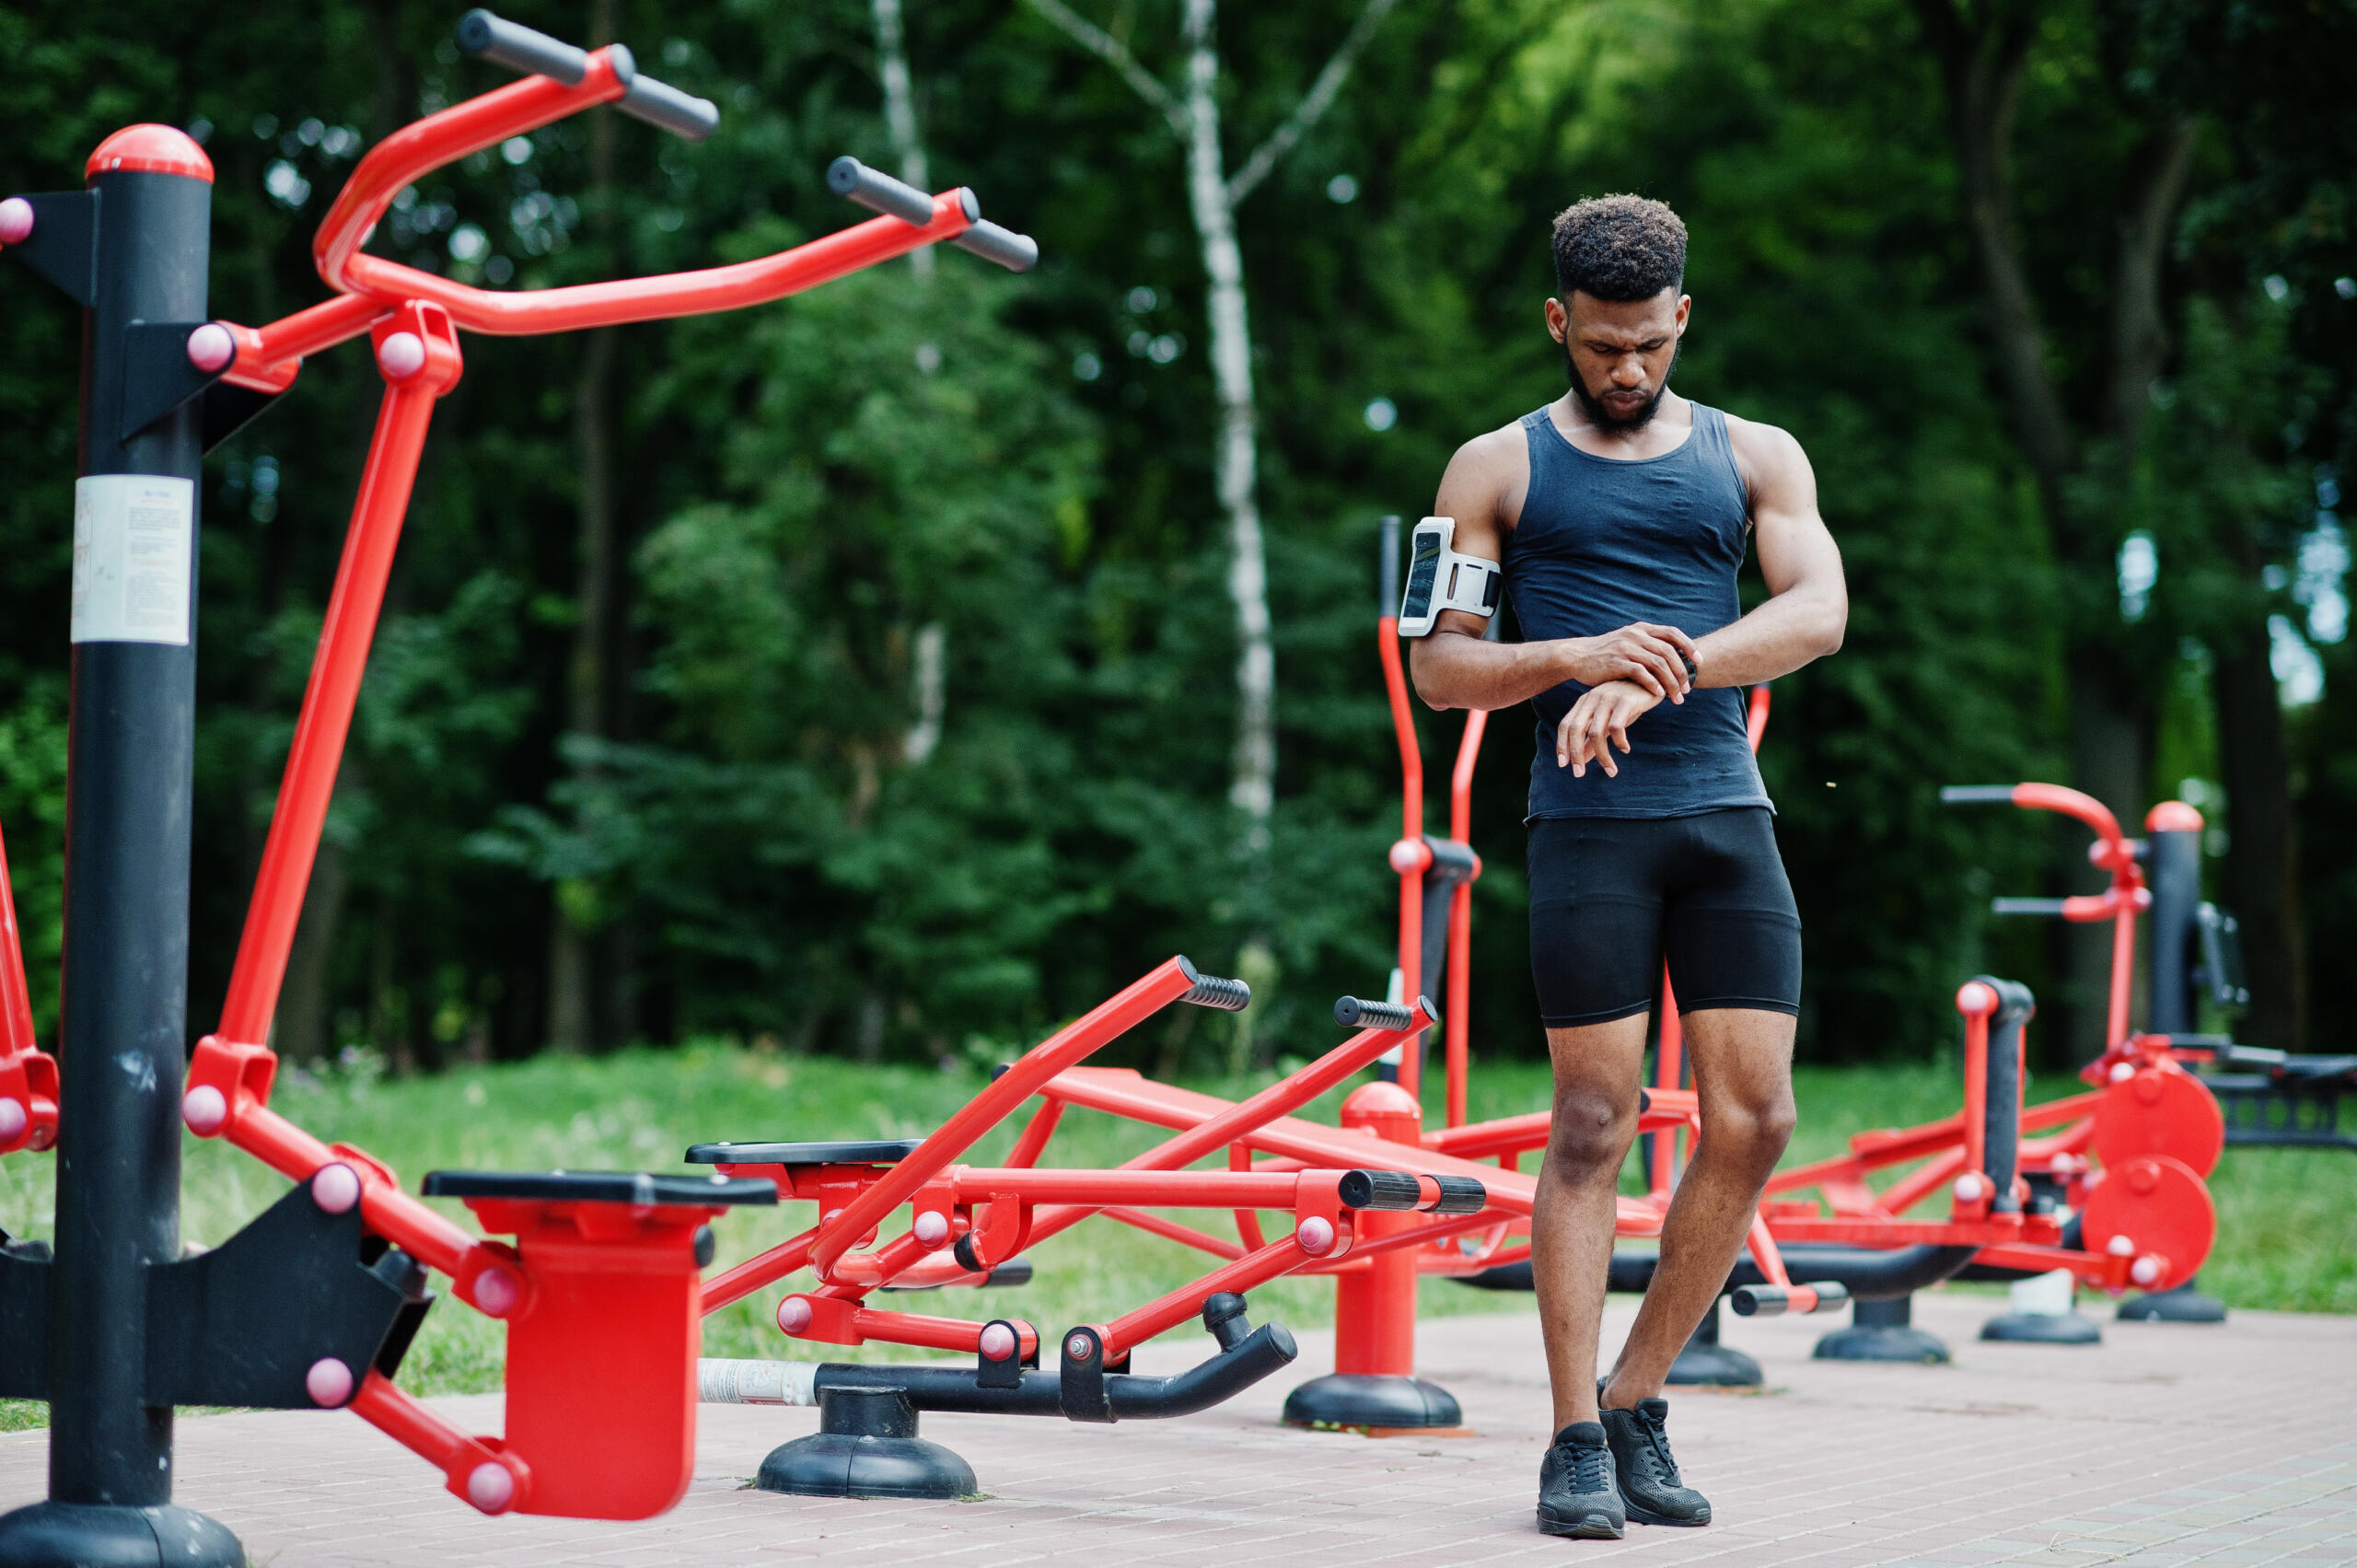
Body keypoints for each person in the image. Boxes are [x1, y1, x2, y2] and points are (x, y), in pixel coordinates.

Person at [1408, 194, 1846, 1540]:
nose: (1626, 370)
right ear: (1559, 323)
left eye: (1648, 344)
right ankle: (1569, 1442)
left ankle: (1636, 1397)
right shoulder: (1495, 469)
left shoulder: (1756, 453)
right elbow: (1440, 672)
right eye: (1602, 346)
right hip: (1590, 829)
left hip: (1724, 814)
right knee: (1595, 1124)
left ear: (1681, 321)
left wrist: (1668, 670)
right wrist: (1570, 659)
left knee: (1758, 1120)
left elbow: (1817, 613)